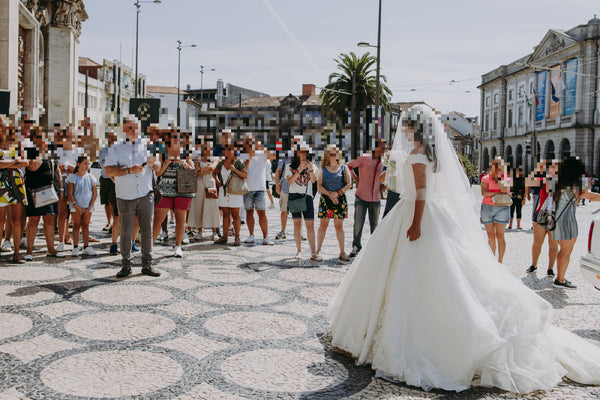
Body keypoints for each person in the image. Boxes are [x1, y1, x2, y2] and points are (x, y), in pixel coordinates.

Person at [327, 104, 600, 394]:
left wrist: (416, 223)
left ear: (415, 127)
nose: (402, 129)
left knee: (417, 273)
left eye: (406, 124)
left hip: (417, 214)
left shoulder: (419, 155)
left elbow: (420, 193)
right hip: (430, 214)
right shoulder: (430, 155)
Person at [105, 116, 161, 278]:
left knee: (147, 231)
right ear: (124, 129)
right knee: (126, 231)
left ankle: (147, 264)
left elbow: (157, 167)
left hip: (145, 193)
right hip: (125, 195)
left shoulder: (148, 145)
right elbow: (109, 171)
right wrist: (129, 170)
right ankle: (126, 265)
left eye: (136, 127)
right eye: (130, 127)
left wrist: (153, 164)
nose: (133, 130)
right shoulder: (116, 148)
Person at [549, 157, 600, 289]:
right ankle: (560, 280)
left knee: (564, 250)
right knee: (566, 251)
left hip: (558, 219)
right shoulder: (575, 183)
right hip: (567, 220)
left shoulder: (558, 180)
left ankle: (560, 278)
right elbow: (590, 196)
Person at [152, 132, 195, 258]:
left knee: (180, 220)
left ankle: (177, 246)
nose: (175, 142)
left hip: (183, 190)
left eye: (177, 139)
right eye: (172, 139)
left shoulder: (186, 153)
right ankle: (150, 248)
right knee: (157, 220)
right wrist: (166, 163)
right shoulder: (162, 153)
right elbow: (158, 173)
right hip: (164, 190)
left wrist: (182, 163)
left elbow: (192, 171)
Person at [24, 137, 65, 259]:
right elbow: (31, 167)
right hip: (35, 191)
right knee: (33, 220)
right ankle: (29, 251)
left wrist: (61, 189)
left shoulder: (52, 155)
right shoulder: (30, 153)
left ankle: (51, 249)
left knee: (50, 220)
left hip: (50, 191)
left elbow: (58, 172)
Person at [346, 139, 386, 257]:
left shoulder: (383, 162)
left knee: (375, 225)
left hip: (376, 198)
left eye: (385, 148)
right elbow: (348, 166)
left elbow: (383, 177)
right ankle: (356, 246)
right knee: (358, 223)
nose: (384, 151)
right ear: (376, 147)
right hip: (361, 196)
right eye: (382, 148)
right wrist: (356, 179)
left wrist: (383, 186)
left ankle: (374, 248)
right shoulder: (364, 158)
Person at [316, 145, 352, 261]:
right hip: (326, 199)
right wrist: (330, 195)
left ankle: (342, 252)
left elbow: (349, 184)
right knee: (323, 225)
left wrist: (337, 193)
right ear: (327, 155)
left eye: (336, 153)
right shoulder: (322, 169)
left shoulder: (343, 168)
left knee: (339, 227)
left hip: (340, 200)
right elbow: (319, 186)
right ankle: (318, 250)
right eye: (332, 154)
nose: (334, 156)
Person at [0, 118, 28, 263]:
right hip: (1, 184)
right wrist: (13, 162)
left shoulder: (16, 142)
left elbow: (26, 162)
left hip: (16, 182)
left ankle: (17, 252)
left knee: (16, 219)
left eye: (3, 125)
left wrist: (6, 164)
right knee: (0, 220)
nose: (2, 128)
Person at [526, 160, 558, 278]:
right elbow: (528, 180)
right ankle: (534, 265)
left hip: (555, 215)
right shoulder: (544, 179)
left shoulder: (562, 183)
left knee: (553, 244)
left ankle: (550, 268)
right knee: (537, 242)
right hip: (541, 213)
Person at [285, 143, 318, 260]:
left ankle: (313, 252)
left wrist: (311, 170)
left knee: (310, 225)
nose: (303, 154)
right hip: (294, 196)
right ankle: (299, 250)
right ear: (296, 153)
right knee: (297, 225)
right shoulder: (289, 166)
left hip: (307, 196)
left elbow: (314, 181)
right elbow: (290, 182)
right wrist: (299, 170)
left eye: (305, 152)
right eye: (300, 151)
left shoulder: (312, 166)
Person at [241, 135, 274, 245]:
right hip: (247, 188)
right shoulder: (242, 155)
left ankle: (266, 236)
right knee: (249, 213)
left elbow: (273, 156)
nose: (249, 144)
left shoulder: (261, 154)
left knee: (262, 213)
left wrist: (260, 148)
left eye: (251, 142)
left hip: (260, 188)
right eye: (247, 142)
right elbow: (242, 171)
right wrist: (248, 159)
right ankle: (251, 235)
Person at [213, 144, 247, 246]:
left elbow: (245, 175)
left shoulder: (239, 163)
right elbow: (214, 173)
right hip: (224, 193)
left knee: (236, 215)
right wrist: (219, 184)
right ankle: (224, 237)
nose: (228, 152)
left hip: (235, 192)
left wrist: (234, 170)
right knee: (226, 214)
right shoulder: (221, 163)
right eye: (226, 150)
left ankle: (237, 237)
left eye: (230, 150)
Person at [480, 157, 511, 263]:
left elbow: (506, 191)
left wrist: (492, 190)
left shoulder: (505, 178)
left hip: (501, 207)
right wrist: (498, 191)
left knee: (500, 236)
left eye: (499, 166)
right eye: (494, 166)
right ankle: (493, 261)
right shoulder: (485, 178)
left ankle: (500, 261)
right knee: (490, 236)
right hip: (487, 207)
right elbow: (484, 192)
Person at [188, 141, 219, 241]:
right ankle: (200, 231)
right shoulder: (197, 158)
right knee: (199, 207)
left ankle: (214, 232)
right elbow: (196, 171)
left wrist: (202, 170)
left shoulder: (215, 157)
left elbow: (212, 168)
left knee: (212, 207)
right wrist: (203, 170)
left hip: (210, 184)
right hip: (199, 184)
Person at [67, 155, 98, 256]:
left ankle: (86, 246)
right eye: (85, 163)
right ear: (78, 164)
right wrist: (75, 205)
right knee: (76, 225)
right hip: (76, 206)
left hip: (88, 206)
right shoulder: (73, 177)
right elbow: (70, 193)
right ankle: (75, 247)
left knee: (86, 225)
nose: (87, 166)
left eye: (88, 164)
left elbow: (95, 193)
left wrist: (90, 207)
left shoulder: (91, 177)